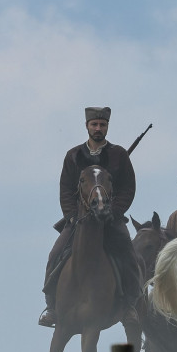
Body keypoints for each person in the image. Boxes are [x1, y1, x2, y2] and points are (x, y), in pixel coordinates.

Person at [39, 107, 141, 327]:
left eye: (102, 125)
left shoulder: (119, 154)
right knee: (55, 253)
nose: (98, 128)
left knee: (128, 253)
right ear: (87, 126)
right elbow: (66, 189)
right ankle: (51, 307)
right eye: (94, 124)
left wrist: (114, 212)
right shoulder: (73, 155)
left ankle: (130, 304)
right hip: (80, 219)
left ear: (107, 127)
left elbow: (128, 188)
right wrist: (72, 216)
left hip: (110, 218)